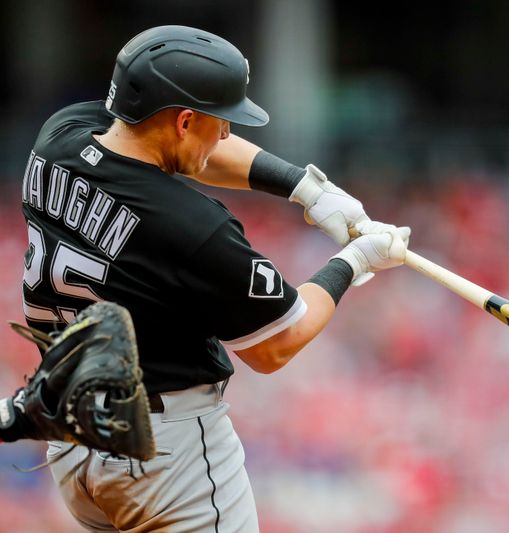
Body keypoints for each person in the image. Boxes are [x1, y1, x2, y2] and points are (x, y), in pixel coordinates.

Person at [0, 25, 410, 532]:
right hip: (166, 453)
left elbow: (180, 149)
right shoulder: (192, 225)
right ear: (185, 119)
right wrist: (354, 261)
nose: (225, 135)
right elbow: (277, 344)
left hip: (74, 441)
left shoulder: (58, 139)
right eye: (221, 122)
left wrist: (304, 188)